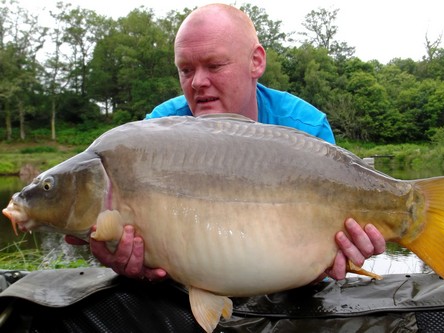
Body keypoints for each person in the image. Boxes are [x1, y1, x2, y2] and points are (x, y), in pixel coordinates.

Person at [66, 3, 385, 283]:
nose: (198, 82)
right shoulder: (153, 136)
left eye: (214, 65)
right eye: (185, 70)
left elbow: (335, 244)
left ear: (256, 62)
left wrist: (346, 252)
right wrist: (117, 254)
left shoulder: (304, 127)